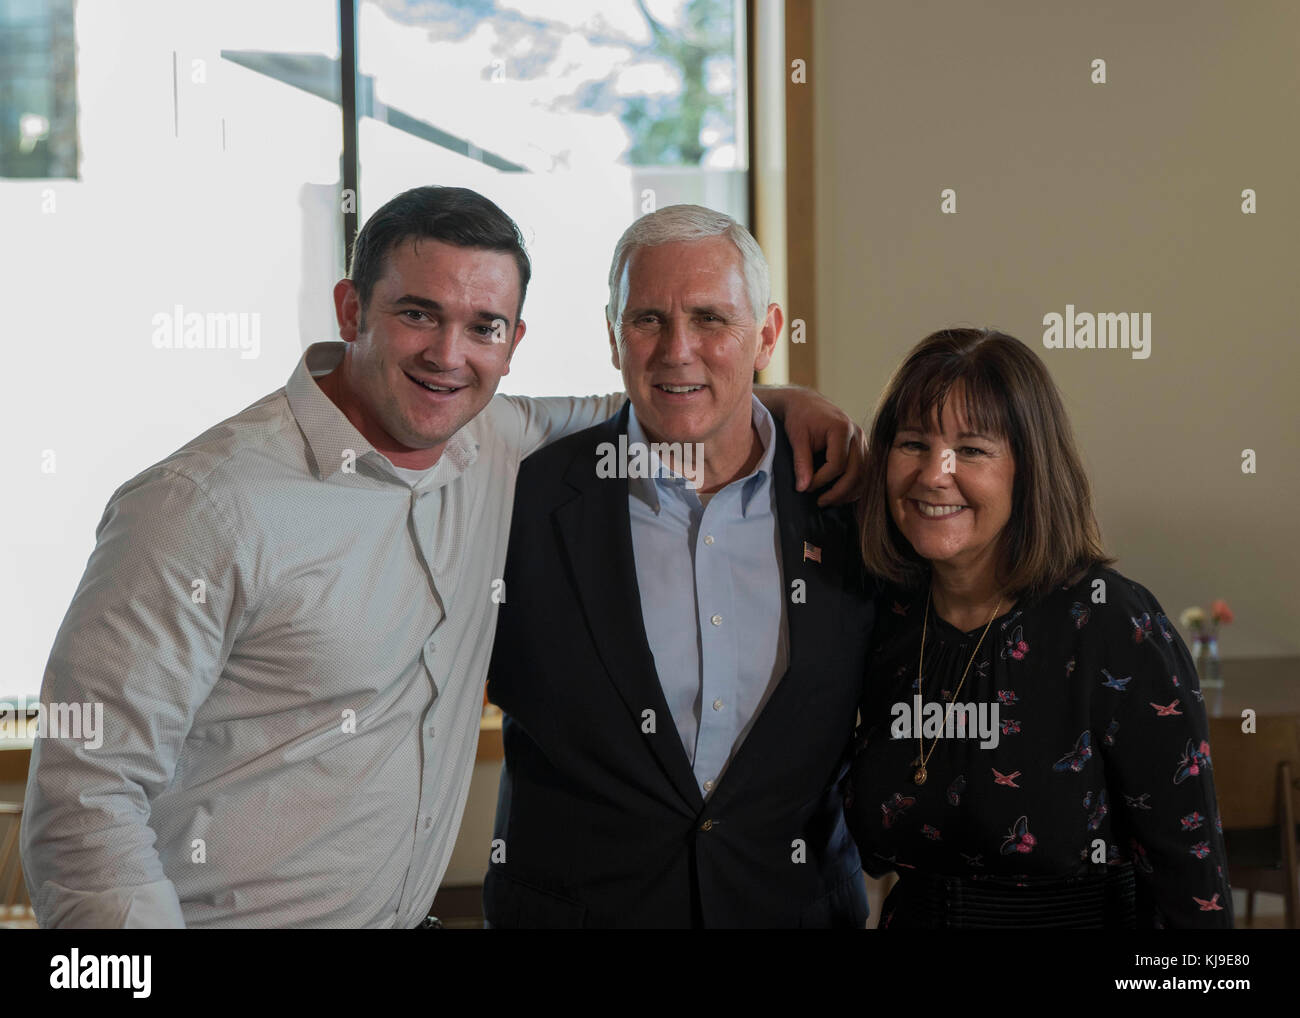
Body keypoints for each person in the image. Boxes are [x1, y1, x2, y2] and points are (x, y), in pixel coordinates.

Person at [20, 186, 863, 928]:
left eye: (482, 327)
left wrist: (776, 398)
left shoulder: (492, 438)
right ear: (351, 309)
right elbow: (84, 796)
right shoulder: (196, 505)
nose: (448, 353)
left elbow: (674, 398)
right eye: (417, 312)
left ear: (514, 339)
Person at [483, 205, 876, 928]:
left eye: (711, 319)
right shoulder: (522, 497)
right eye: (647, 320)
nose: (677, 350)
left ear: (766, 333)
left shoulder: (847, 500)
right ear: (612, 337)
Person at [843, 327, 1232, 929]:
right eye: (913, 442)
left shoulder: (1111, 622)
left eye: (972, 450)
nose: (933, 474)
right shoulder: (884, 617)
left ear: (1029, 470)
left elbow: (1193, 890)